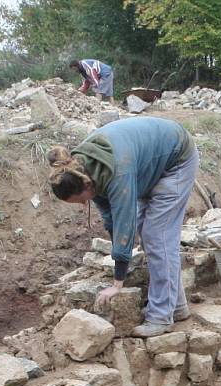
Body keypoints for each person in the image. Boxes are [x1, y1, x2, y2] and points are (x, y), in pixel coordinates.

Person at [48, 117, 199, 338]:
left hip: (176, 159)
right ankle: (175, 306)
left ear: (87, 185)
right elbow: (112, 219)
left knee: (157, 235)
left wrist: (118, 282)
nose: (83, 205)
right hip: (149, 163)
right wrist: (116, 244)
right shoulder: (82, 169)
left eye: (81, 200)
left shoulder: (116, 171)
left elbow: (124, 223)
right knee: (148, 230)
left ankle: (161, 317)